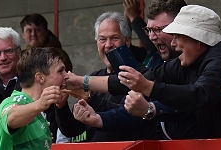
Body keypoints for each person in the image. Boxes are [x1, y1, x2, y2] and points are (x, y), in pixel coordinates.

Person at [67, 5, 221, 139]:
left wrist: (148, 90)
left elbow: (197, 95)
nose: (175, 44)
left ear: (198, 38)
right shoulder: (188, 59)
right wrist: (80, 82)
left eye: (179, 37)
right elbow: (134, 79)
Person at [55, 11, 158, 141]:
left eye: (114, 38)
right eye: (102, 39)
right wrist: (61, 106)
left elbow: (129, 117)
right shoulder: (93, 77)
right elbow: (73, 130)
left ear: (127, 41)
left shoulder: (141, 76)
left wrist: (90, 98)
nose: (108, 45)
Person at [122, 0, 161, 67]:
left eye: (157, 29)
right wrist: (128, 21)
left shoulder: (164, 54)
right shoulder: (141, 55)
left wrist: (134, 18)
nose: (152, 36)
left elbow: (153, 47)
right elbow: (124, 50)